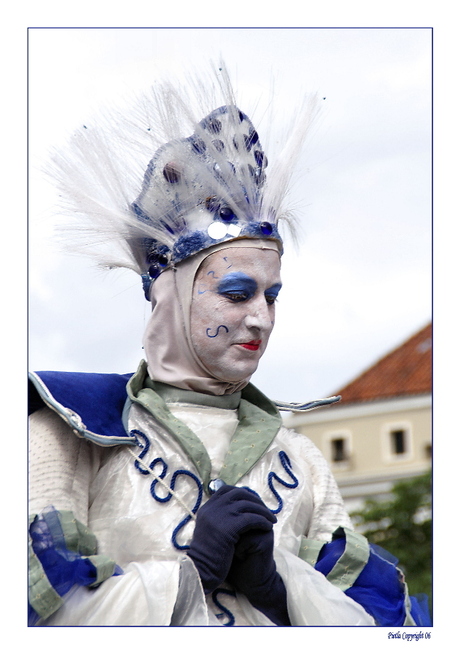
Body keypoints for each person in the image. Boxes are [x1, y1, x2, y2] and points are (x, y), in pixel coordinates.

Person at [28, 65, 430, 627]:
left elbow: (396, 634)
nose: (261, 319)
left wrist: (279, 588)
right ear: (170, 297)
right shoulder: (72, 429)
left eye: (273, 297)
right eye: (237, 293)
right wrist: (187, 575)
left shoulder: (303, 460)